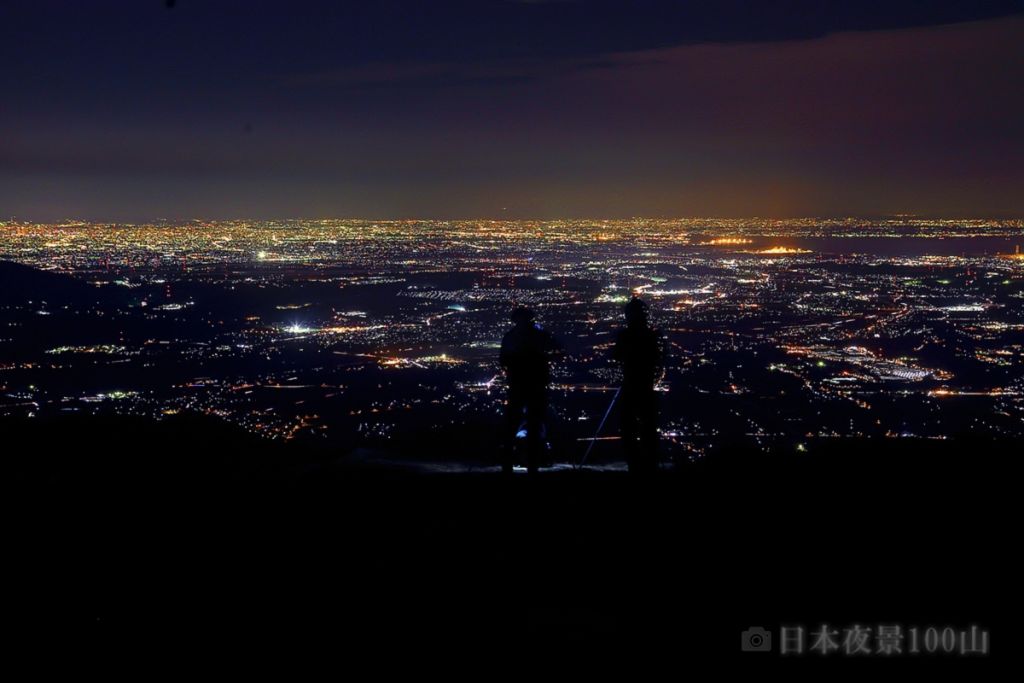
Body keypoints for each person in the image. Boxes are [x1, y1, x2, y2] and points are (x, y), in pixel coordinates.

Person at [499, 306, 560, 474]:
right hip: (536, 385)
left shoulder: (510, 337)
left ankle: (508, 464)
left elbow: (502, 360)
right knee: (534, 424)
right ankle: (532, 464)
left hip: (517, 385)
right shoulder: (539, 335)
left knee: (512, 424)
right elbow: (557, 348)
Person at [611, 297, 663, 475]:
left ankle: (634, 463)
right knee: (648, 426)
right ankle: (650, 463)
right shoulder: (653, 336)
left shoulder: (625, 336)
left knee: (629, 427)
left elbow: (616, 356)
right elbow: (659, 358)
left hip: (630, 385)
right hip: (646, 386)